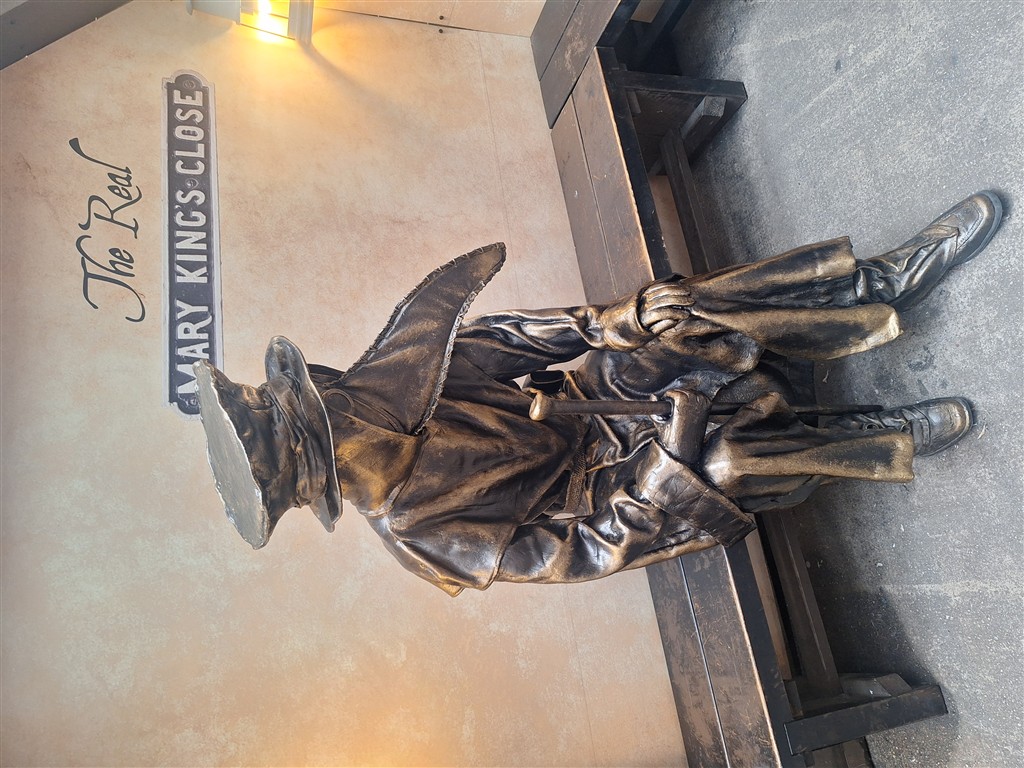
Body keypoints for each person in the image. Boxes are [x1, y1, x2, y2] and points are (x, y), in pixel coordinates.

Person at [195, 192, 1002, 596]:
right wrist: (664, 468)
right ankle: (879, 436)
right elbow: (584, 551)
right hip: (619, 490)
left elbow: (535, 338)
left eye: (323, 393)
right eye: (328, 413)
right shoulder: (428, 542)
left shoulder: (403, 375)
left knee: (680, 313)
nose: (342, 393)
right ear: (332, 462)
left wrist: (626, 318)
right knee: (722, 462)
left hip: (594, 400)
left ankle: (876, 282)